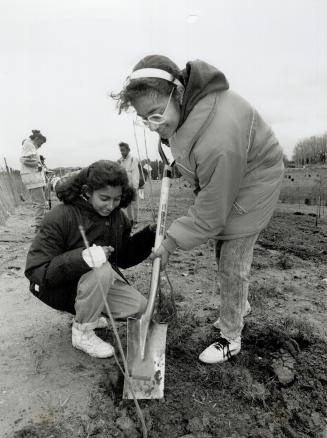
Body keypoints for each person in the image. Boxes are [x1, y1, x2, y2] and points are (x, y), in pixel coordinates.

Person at [112, 55, 284, 364]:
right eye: (144, 118)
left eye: (155, 114)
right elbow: (191, 147)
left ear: (177, 92)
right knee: (223, 251)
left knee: (233, 259)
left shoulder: (219, 137)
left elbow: (211, 212)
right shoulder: (187, 108)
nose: (153, 125)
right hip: (231, 174)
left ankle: (231, 337)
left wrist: (171, 241)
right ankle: (239, 304)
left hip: (254, 184)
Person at [25, 160, 156, 358]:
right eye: (104, 198)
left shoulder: (119, 218)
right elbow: (37, 271)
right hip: (55, 287)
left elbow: (123, 257)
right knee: (101, 269)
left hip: (92, 285)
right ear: (87, 192)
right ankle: (82, 333)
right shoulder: (61, 216)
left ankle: (91, 312)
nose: (111, 205)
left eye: (117, 199)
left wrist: (149, 236)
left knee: (139, 308)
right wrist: (84, 258)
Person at [20, 130, 47, 232]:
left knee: (39, 202)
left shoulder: (29, 144)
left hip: (32, 177)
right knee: (40, 203)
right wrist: (38, 164)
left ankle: (39, 224)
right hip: (33, 178)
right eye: (40, 143)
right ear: (36, 139)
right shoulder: (29, 145)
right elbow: (24, 160)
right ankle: (39, 226)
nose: (40, 146)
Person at [117, 141, 140, 226]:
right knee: (128, 204)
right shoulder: (120, 161)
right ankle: (130, 220)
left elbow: (135, 173)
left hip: (133, 185)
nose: (122, 152)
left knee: (135, 203)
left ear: (128, 150)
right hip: (125, 185)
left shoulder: (133, 159)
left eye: (123, 150)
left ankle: (136, 221)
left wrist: (135, 186)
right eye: (121, 150)